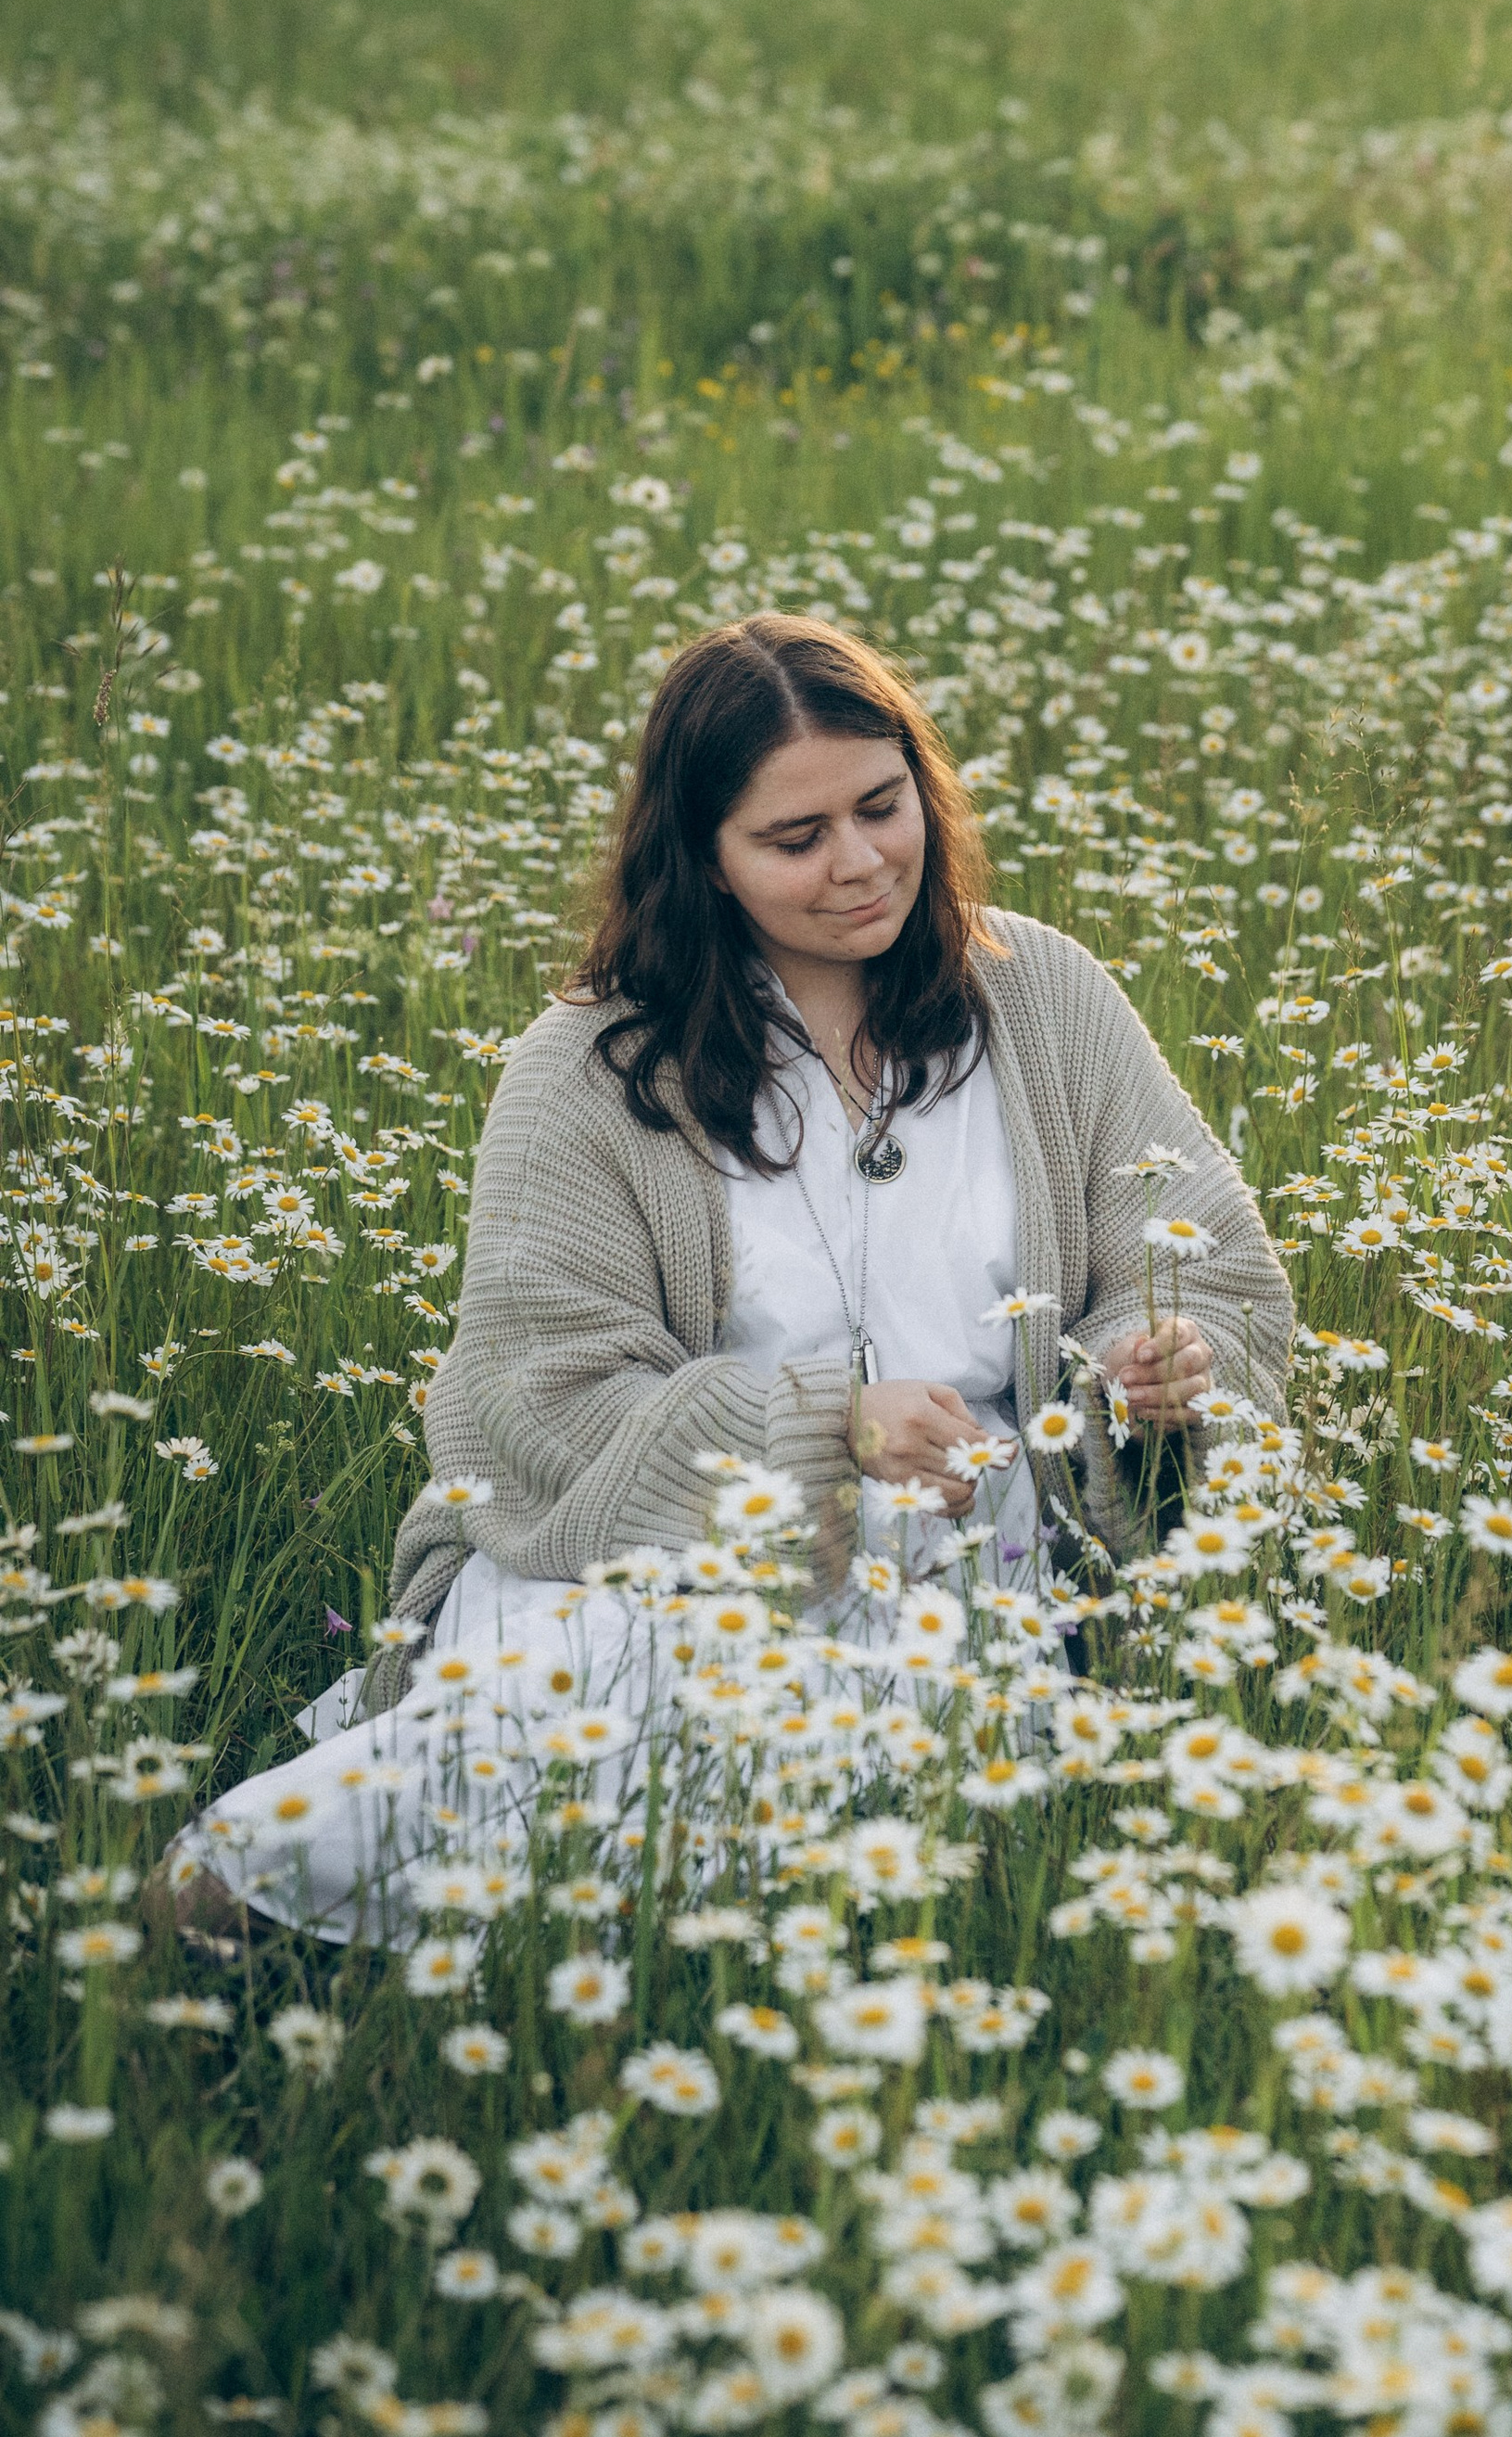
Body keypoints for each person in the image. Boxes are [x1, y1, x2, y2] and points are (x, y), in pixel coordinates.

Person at [158, 611, 1293, 1944]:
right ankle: (230, 1890)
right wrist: (825, 1433)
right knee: (640, 1668)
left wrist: (1149, 1370)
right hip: (657, 1542)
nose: (862, 865)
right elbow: (536, 1398)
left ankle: (402, 1915)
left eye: (883, 807)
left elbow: (1208, 1256)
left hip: (970, 1556)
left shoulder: (1039, 997)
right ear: (701, 858)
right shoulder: (590, 1067)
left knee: (849, 1713)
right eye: (795, 840)